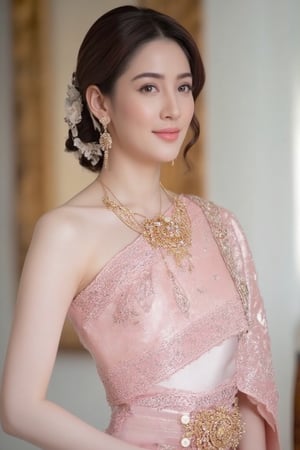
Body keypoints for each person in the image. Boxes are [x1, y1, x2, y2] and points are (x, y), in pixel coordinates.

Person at [0, 5, 280, 450]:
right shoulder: (65, 233)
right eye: (149, 87)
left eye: (183, 87)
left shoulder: (220, 225)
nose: (173, 108)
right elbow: (19, 409)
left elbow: (251, 387)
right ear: (100, 103)